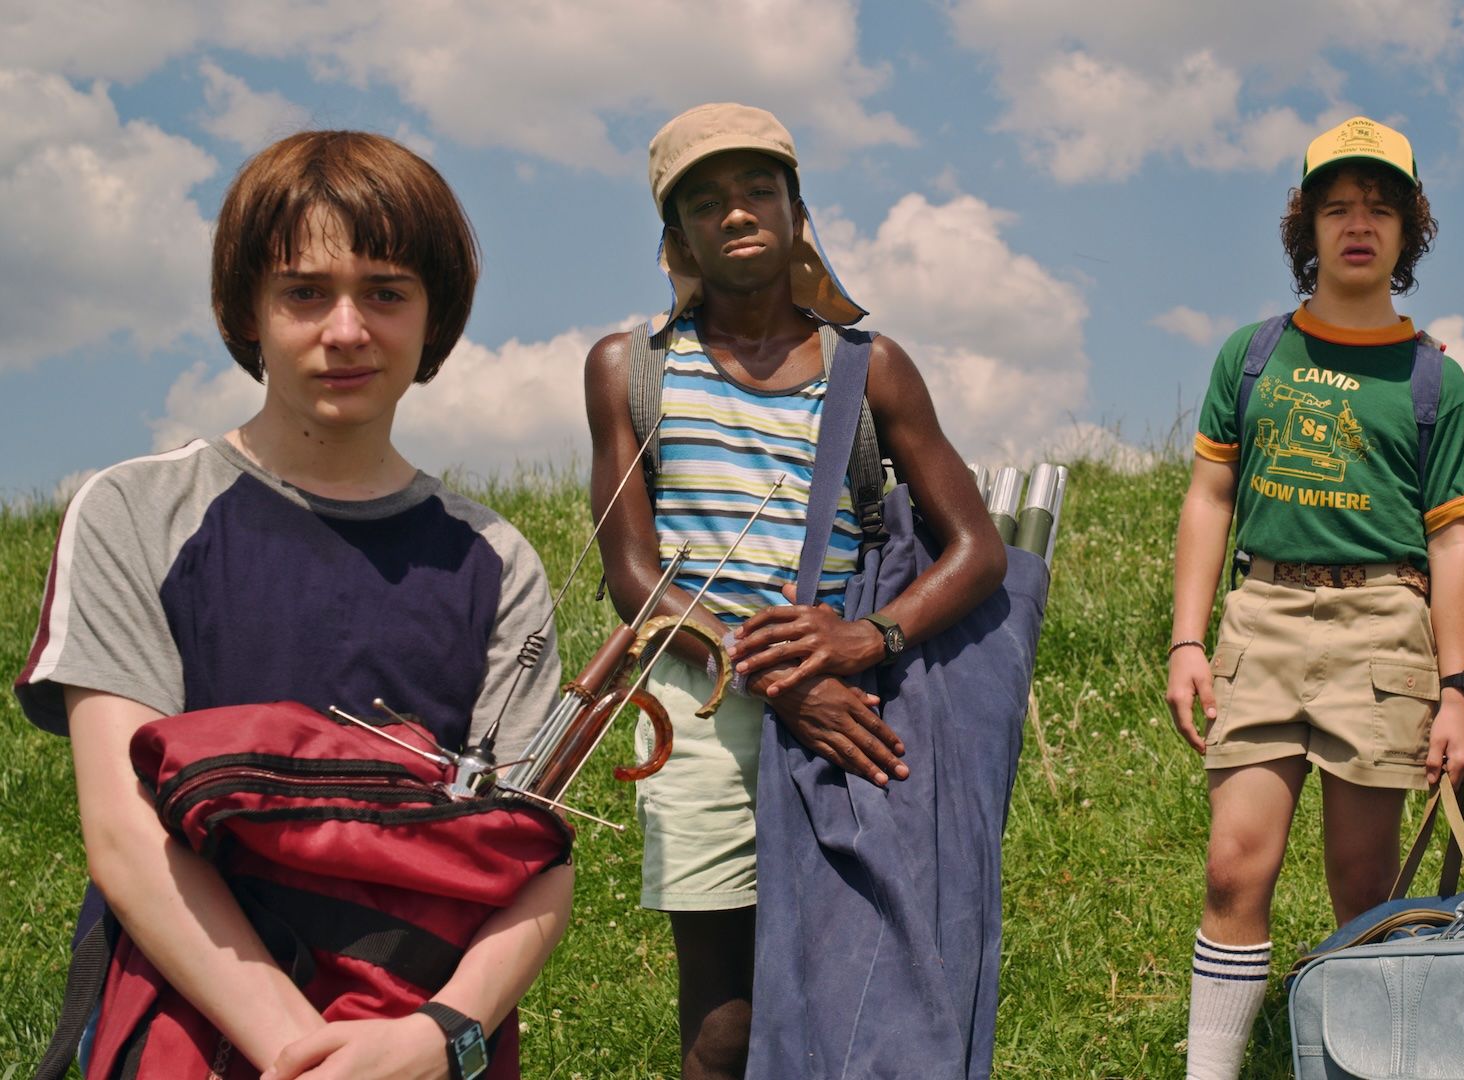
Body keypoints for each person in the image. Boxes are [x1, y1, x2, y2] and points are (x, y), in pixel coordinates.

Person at [16, 130, 573, 1079]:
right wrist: (297, 1050)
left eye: (386, 292)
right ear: (248, 310)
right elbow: (125, 833)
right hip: (191, 1026)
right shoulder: (136, 513)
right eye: (305, 292)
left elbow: (537, 862)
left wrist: (439, 1036)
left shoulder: (496, 561)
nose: (346, 330)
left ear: (435, 315)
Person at [581, 102, 1004, 1079]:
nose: (736, 213)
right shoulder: (631, 370)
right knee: (724, 1015)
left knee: (857, 985)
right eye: (705, 203)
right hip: (702, 707)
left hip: (849, 704)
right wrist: (767, 673)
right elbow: (633, 574)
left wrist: (868, 640)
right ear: (674, 237)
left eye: (758, 191)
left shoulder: (869, 368)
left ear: (797, 212)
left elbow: (977, 549)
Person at [1164, 116, 1464, 1079]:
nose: (1358, 225)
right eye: (1337, 207)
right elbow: (1208, 497)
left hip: (1384, 626)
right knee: (1234, 865)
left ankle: (1367, 1062)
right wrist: (1188, 641)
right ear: (1305, 226)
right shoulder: (1253, 354)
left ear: (1409, 232)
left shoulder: (1437, 381)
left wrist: (1458, 688)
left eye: (1380, 210)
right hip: (1261, 615)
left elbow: (1454, 540)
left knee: (1363, 881)